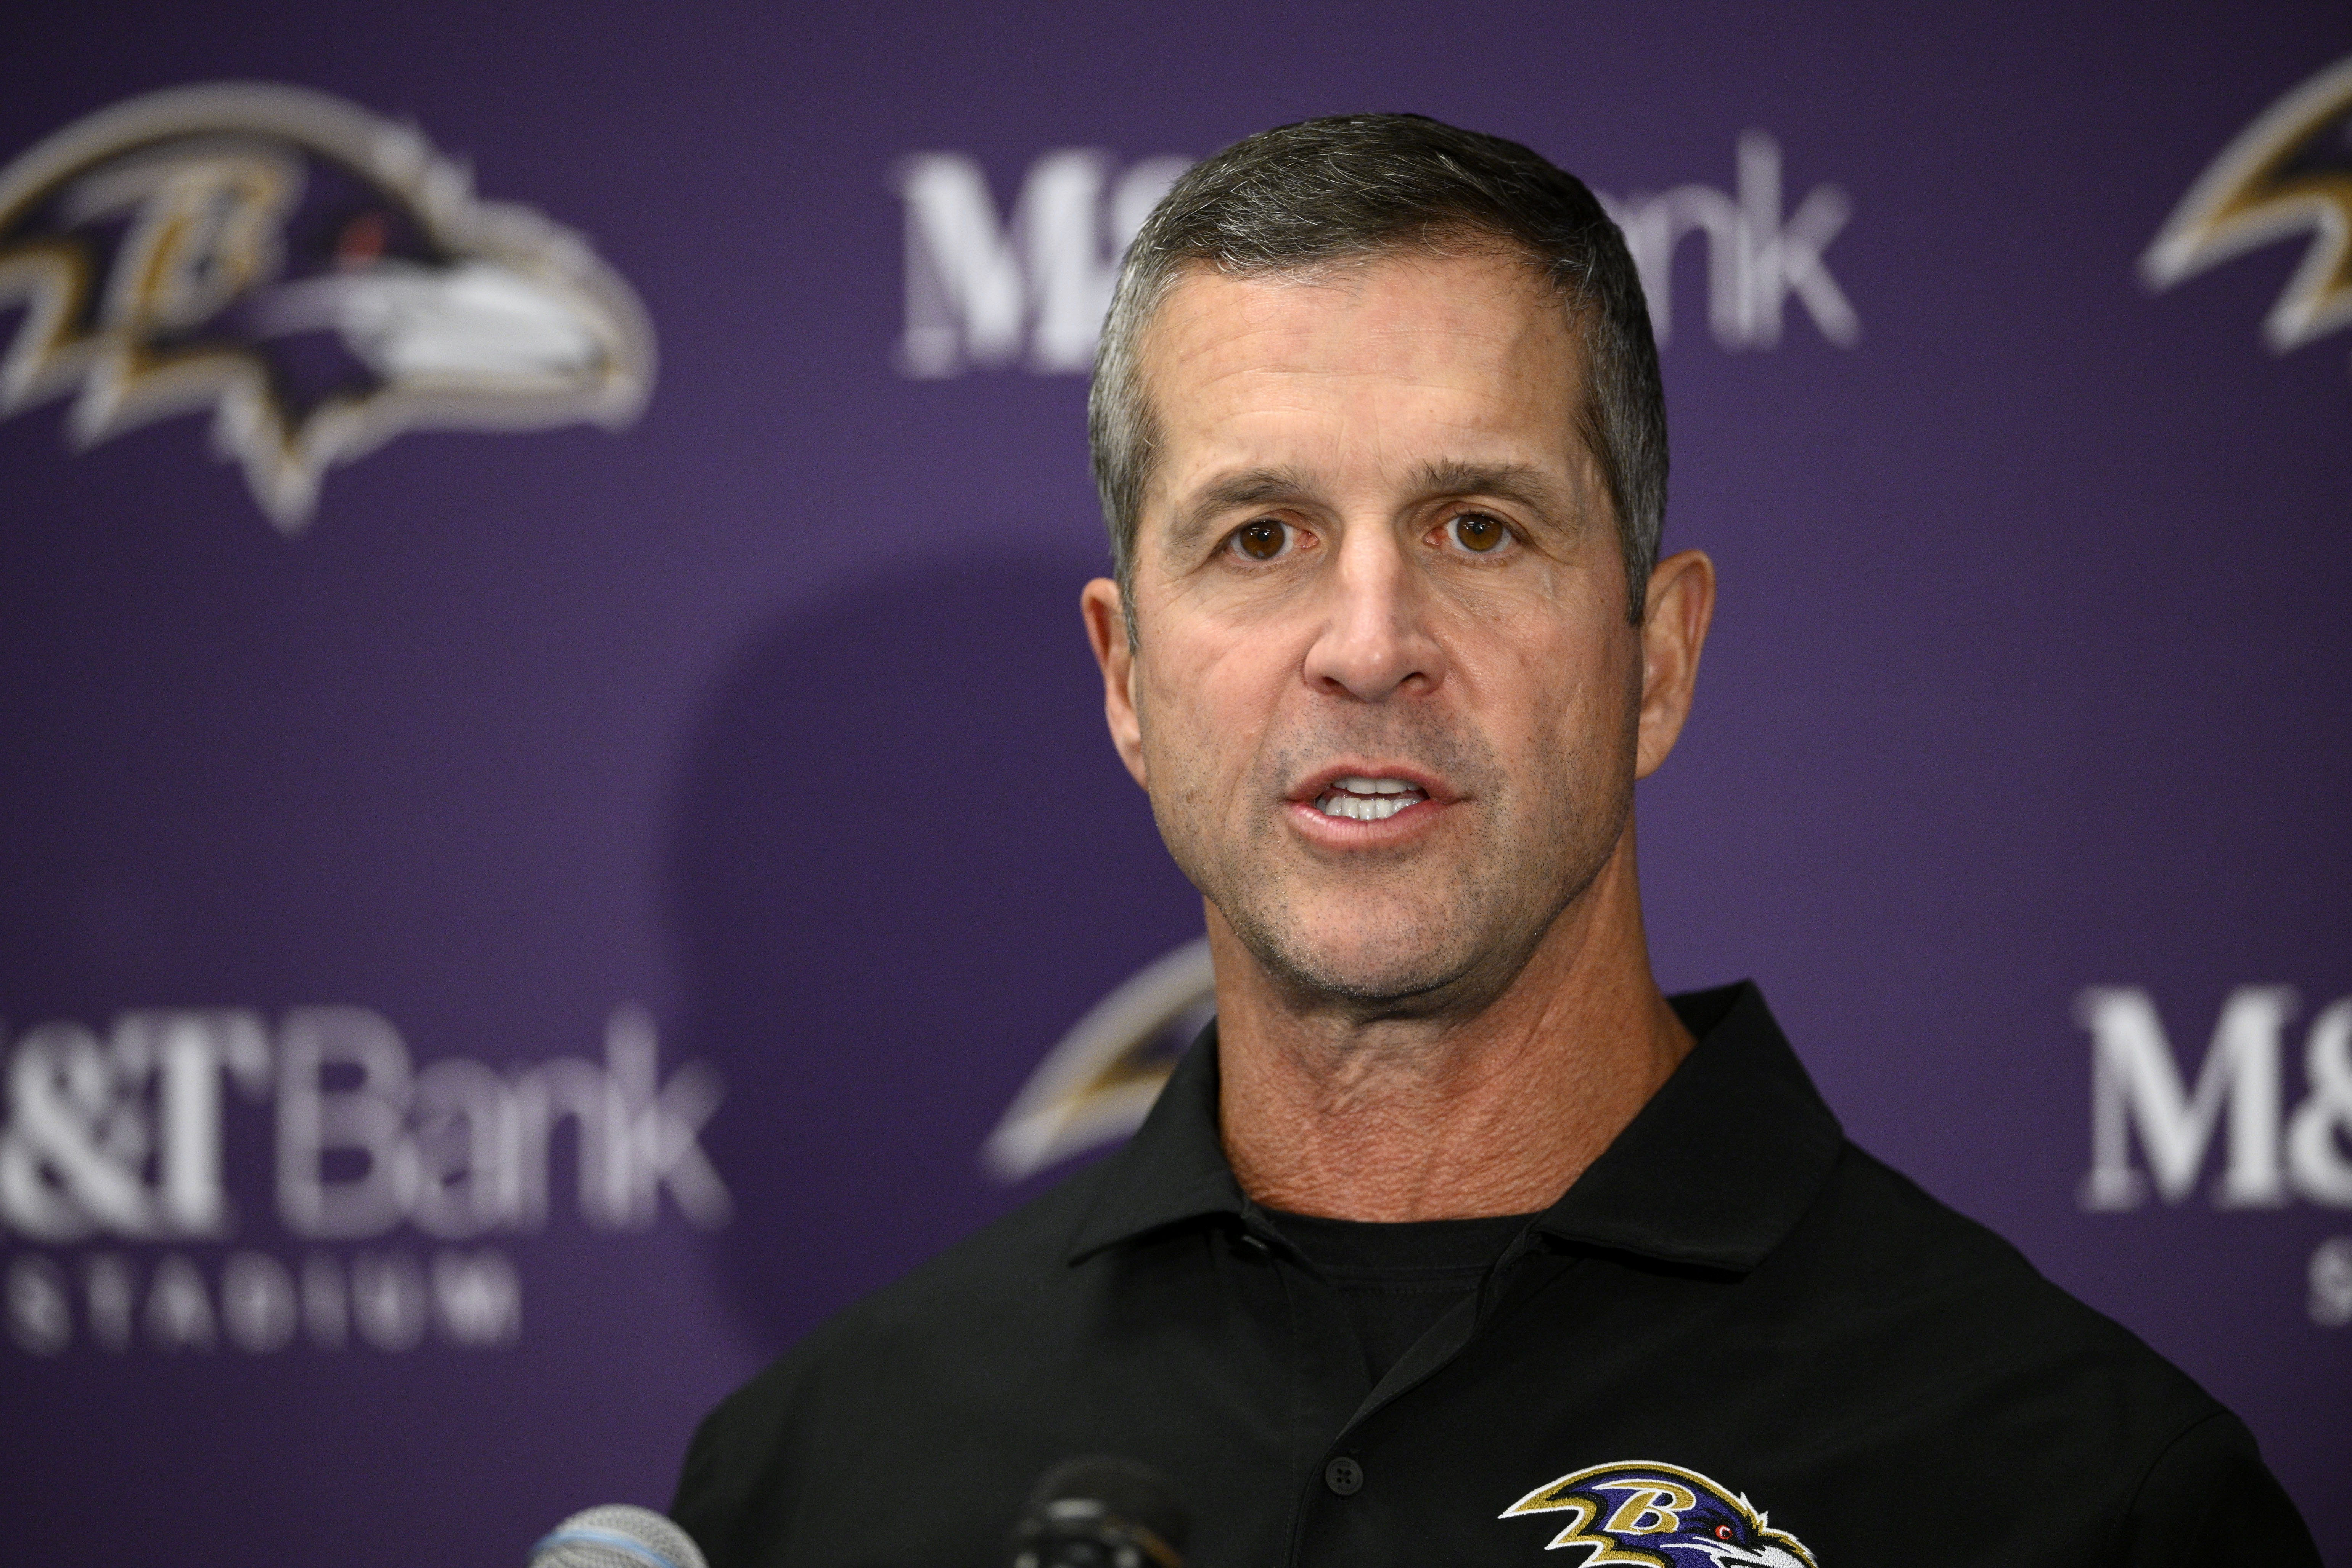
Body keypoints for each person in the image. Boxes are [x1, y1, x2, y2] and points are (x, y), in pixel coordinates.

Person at [671, 114, 2318, 1568]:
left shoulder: (2087, 1492)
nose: (1370, 638)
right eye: (1262, 536)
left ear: (1657, 657)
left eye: (1478, 525)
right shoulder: (808, 1482)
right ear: (1126, 681)